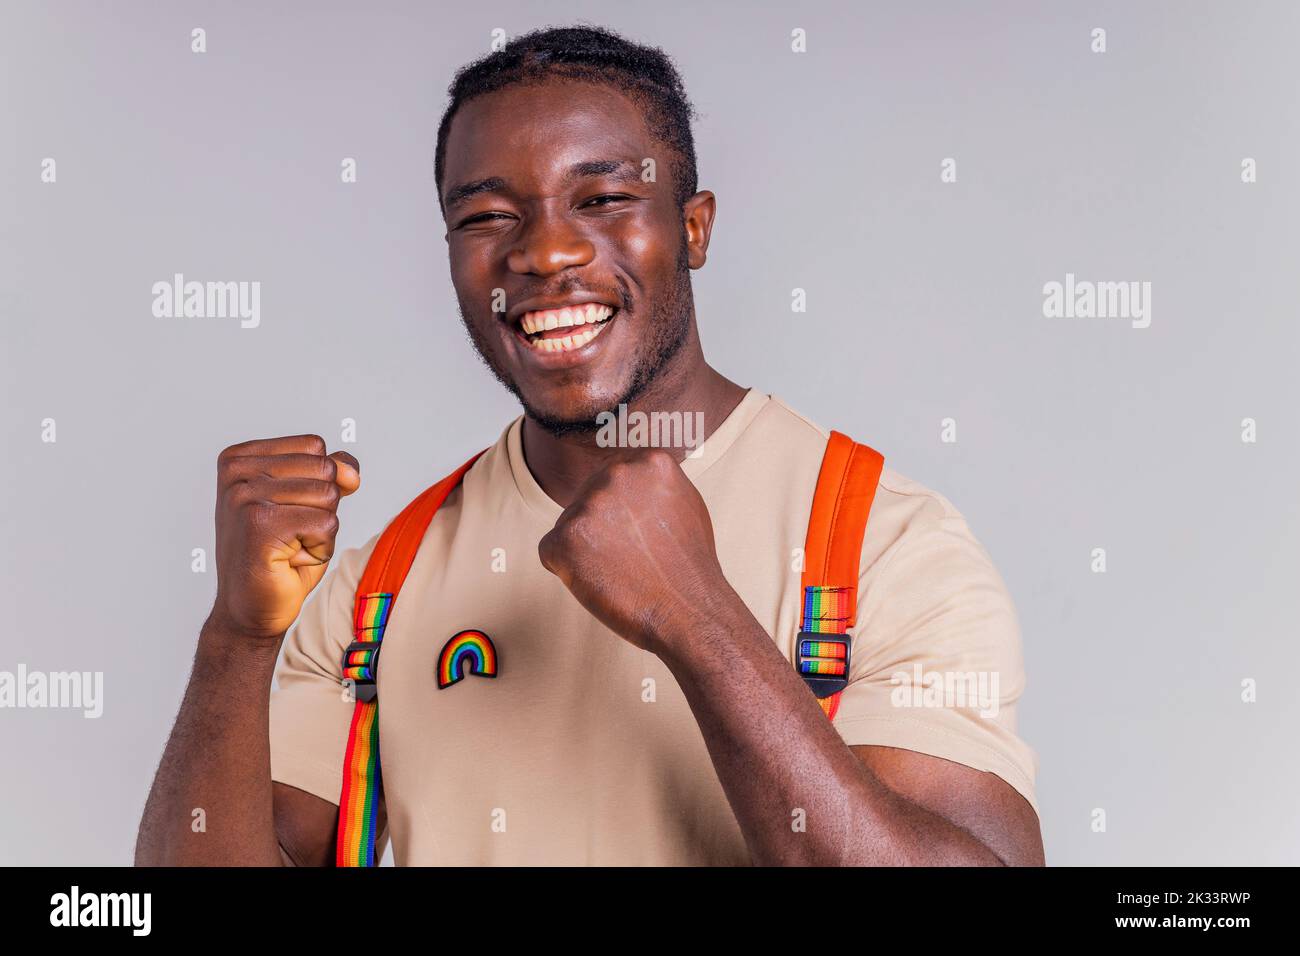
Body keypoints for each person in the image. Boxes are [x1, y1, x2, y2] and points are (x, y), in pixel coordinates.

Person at [136, 24, 1044, 866]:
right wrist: (237, 641)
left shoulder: (885, 544)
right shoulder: (379, 586)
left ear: (693, 228)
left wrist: (699, 617)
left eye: (603, 199)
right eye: (487, 217)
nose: (546, 253)